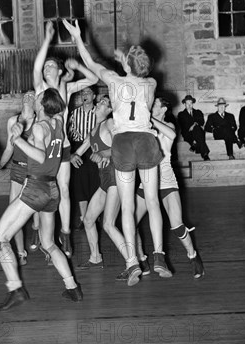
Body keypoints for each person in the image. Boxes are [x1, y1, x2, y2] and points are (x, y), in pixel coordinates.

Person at [62, 18, 164, 287]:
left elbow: (92, 63)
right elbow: (137, 74)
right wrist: (126, 60)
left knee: (127, 209)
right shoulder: (151, 84)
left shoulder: (114, 82)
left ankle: (131, 260)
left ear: (126, 65)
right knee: (152, 201)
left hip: (123, 143)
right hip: (145, 139)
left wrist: (77, 37)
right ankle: (158, 254)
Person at [0, 88, 83, 310]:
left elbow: (41, 157)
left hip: (36, 187)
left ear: (41, 105)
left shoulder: (40, 128)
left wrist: (17, 139)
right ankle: (73, 288)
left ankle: (16, 289)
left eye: (38, 98)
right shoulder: (58, 123)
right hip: (52, 190)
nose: (35, 99)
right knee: (49, 243)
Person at [33, 20, 98, 258]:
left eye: (51, 65)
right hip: (42, 146)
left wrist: (77, 64)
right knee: (43, 191)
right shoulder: (40, 87)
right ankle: (39, 231)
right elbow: (37, 65)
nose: (47, 68)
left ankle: (67, 234)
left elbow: (92, 79)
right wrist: (47, 40)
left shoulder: (68, 89)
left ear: (59, 71)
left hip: (63, 146)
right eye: (46, 65)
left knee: (64, 190)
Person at [73, 95, 150, 277]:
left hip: (116, 176)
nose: (101, 103)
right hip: (104, 179)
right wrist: (72, 156)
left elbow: (122, 146)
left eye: (105, 103)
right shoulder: (94, 129)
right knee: (89, 220)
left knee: (108, 224)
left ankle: (132, 264)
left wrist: (105, 155)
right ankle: (95, 258)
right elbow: (83, 147)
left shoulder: (110, 124)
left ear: (110, 110)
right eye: (100, 101)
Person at [134, 98, 205, 279]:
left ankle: (193, 256)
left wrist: (149, 118)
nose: (151, 105)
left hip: (166, 181)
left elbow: (172, 136)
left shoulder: (168, 125)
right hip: (146, 180)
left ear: (164, 108)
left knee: (177, 226)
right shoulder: (146, 126)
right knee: (130, 221)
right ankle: (141, 258)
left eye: (155, 104)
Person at [0, 91, 39, 265]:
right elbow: (9, 148)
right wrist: (0, 165)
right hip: (17, 170)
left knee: (39, 212)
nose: (29, 97)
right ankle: (21, 252)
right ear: (22, 100)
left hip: (35, 171)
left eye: (33, 95)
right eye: (26, 95)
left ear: (37, 101)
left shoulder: (40, 122)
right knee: (13, 211)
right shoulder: (13, 121)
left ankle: (46, 245)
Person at [68, 86, 100, 229]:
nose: (85, 95)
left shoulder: (98, 113)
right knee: (79, 183)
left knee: (95, 182)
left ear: (94, 96)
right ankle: (83, 217)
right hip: (78, 148)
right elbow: (69, 134)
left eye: (88, 92)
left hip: (95, 148)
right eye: (83, 93)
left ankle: (94, 217)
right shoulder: (74, 114)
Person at [177, 95, 210, 161]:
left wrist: (194, 124)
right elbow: (183, 125)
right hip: (188, 133)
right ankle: (204, 154)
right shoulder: (181, 114)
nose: (189, 105)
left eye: (191, 103)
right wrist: (193, 125)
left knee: (197, 129)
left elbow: (202, 122)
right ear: (184, 104)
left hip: (198, 132)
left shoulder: (198, 112)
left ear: (193, 104)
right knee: (198, 131)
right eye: (187, 103)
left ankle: (195, 144)